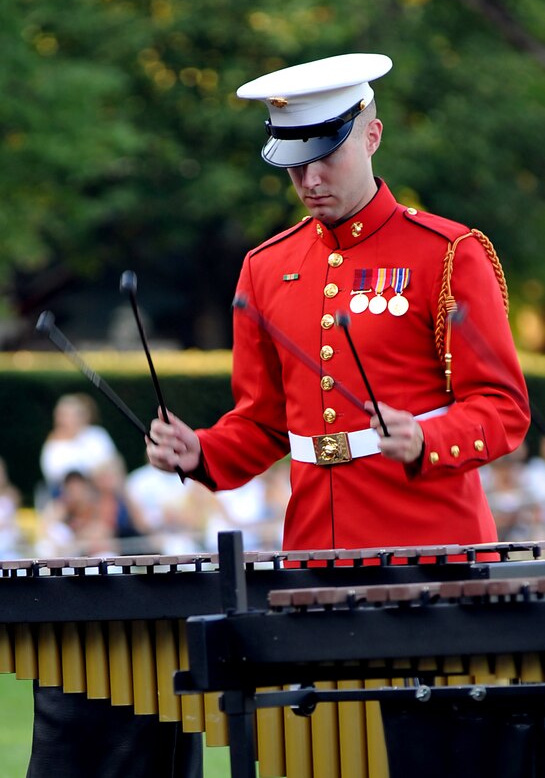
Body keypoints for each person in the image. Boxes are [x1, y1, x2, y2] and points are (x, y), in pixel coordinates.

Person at [146, 53, 531, 777]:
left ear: (372, 136)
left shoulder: (447, 254)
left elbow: (503, 411)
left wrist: (425, 435)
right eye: (293, 167)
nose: (308, 181)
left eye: (324, 156)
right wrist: (197, 450)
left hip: (431, 563)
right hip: (313, 567)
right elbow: (261, 424)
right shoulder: (265, 267)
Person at [39, 393, 118, 497]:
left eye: (76, 414)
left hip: (103, 490)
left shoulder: (97, 434)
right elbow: (57, 477)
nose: (72, 419)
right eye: (67, 415)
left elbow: (112, 462)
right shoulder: (52, 446)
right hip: (68, 495)